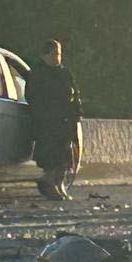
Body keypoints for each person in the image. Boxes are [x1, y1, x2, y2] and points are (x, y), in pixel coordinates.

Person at [27, 38, 81, 201]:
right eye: (55, 53)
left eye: (59, 53)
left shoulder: (64, 73)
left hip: (65, 121)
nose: (58, 57)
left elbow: (74, 94)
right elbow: (33, 97)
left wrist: (76, 114)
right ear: (46, 55)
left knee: (66, 156)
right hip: (47, 122)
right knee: (51, 156)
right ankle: (48, 182)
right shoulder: (37, 73)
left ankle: (58, 184)